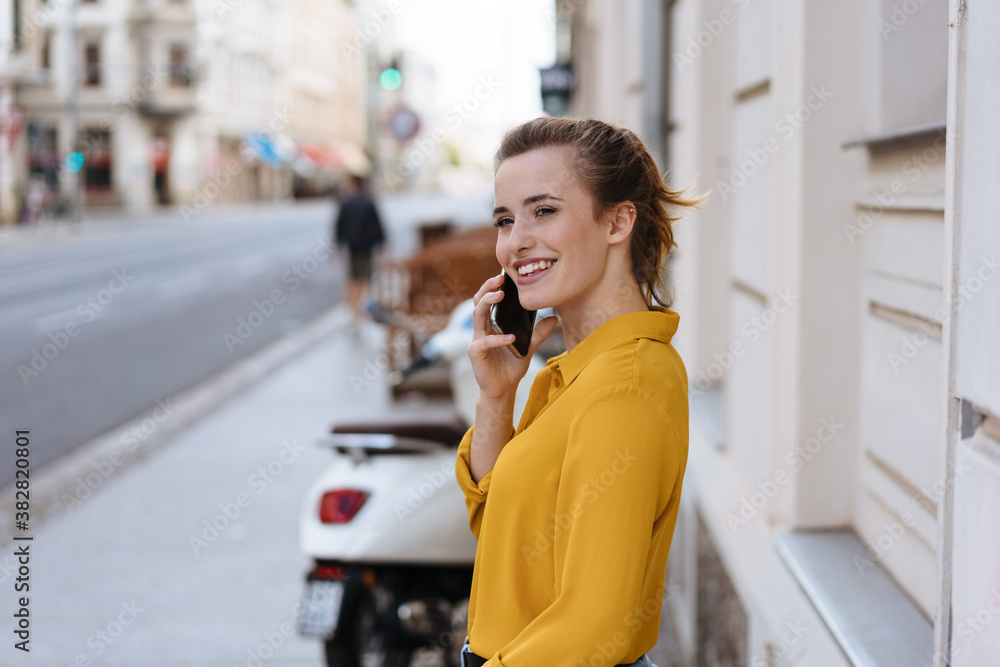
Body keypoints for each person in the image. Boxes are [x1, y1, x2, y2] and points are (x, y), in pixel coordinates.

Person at [454, 117, 702, 666]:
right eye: (504, 219)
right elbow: (500, 535)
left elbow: (592, 628)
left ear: (617, 221)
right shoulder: (568, 375)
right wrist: (496, 401)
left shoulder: (626, 387)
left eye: (543, 211)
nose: (515, 243)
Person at [333, 174, 386, 330]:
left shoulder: (346, 203)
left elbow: (339, 227)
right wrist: (381, 244)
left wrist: (339, 246)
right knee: (365, 279)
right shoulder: (368, 201)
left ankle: (354, 312)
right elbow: (377, 226)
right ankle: (362, 310)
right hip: (366, 247)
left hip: (353, 247)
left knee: (353, 279)